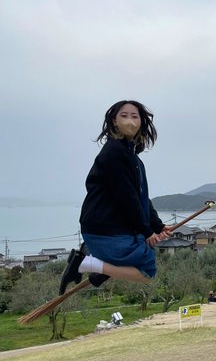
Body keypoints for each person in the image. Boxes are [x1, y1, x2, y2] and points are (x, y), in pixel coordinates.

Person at [59, 100, 172, 293]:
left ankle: (98, 265)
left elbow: (141, 197)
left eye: (135, 117)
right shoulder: (114, 153)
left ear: (141, 123)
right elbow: (126, 197)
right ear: (114, 121)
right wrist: (146, 232)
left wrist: (157, 226)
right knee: (146, 268)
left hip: (114, 228)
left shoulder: (132, 158)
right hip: (105, 229)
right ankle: (87, 264)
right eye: (124, 115)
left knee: (145, 255)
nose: (130, 121)